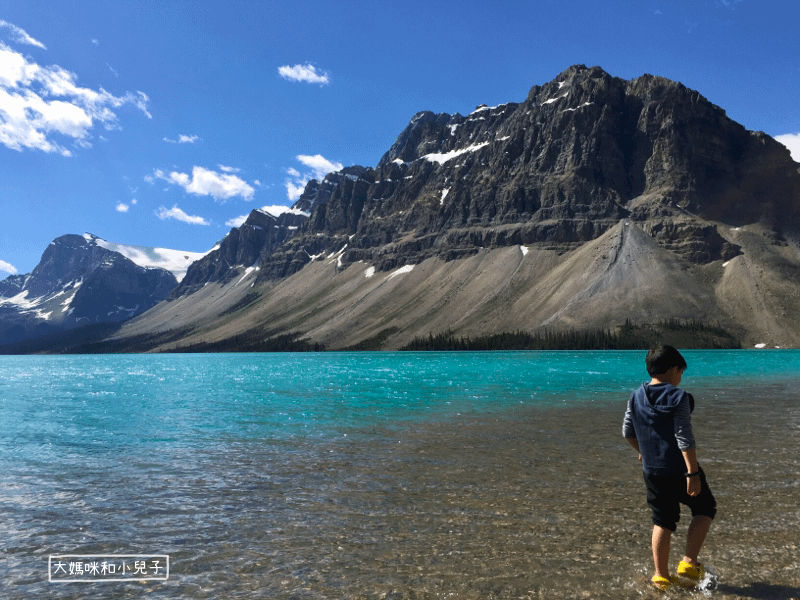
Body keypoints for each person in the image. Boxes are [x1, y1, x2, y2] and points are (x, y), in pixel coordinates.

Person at [622, 344, 717, 591]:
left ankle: (661, 577)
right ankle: (688, 563)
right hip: (679, 469)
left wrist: (642, 451)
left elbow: (627, 431)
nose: (681, 377)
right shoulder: (680, 397)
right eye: (681, 372)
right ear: (674, 370)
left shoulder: (635, 396)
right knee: (705, 507)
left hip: (652, 471)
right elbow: (684, 437)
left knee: (662, 520)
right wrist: (692, 473)